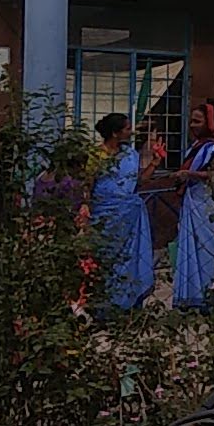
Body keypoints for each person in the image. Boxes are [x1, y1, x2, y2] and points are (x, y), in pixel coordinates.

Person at [91, 112, 155, 311]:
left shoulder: (130, 155)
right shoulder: (96, 155)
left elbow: (139, 182)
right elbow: (87, 184)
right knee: (105, 259)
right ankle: (104, 307)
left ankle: (128, 305)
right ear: (115, 133)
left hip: (130, 214)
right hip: (105, 214)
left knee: (130, 258)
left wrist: (155, 162)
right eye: (127, 128)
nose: (131, 132)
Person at [170, 100, 214, 311]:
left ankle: (210, 295)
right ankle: (192, 296)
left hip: (207, 206)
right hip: (193, 201)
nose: (193, 125)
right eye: (191, 121)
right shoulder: (196, 146)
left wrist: (190, 174)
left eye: (198, 121)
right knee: (192, 247)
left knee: (208, 249)